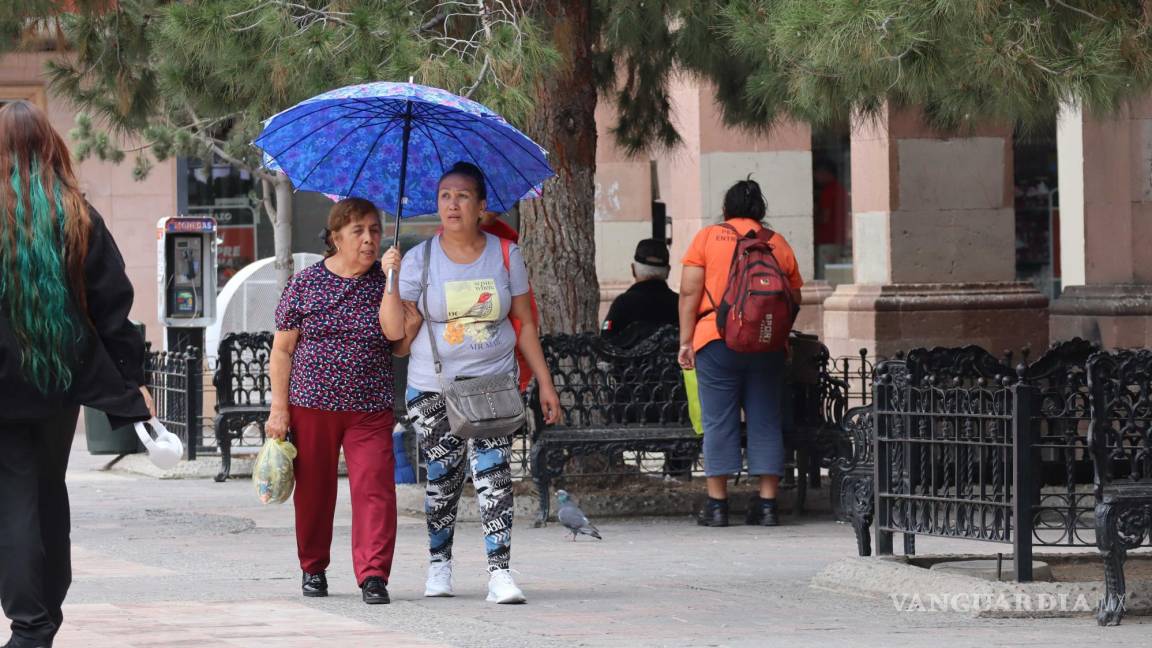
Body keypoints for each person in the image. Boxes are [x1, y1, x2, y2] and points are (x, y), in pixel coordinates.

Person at [0, 100, 154, 648]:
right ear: (49, 146)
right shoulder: (77, 215)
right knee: (47, 494)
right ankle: (43, 619)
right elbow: (115, 304)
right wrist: (132, 378)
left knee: (13, 499)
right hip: (57, 383)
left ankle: (31, 623)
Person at [399, 161, 561, 604]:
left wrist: (544, 384)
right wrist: (391, 282)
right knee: (443, 478)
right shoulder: (419, 258)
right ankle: (439, 565)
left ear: (482, 206)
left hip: (492, 387)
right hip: (433, 389)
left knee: (493, 477)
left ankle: (499, 573)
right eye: (445, 196)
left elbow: (525, 324)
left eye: (462, 196)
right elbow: (399, 334)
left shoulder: (506, 255)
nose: (452, 204)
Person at [266, 197, 405, 605]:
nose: (369, 239)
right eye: (359, 231)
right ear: (336, 236)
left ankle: (374, 574)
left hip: (369, 407)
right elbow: (281, 351)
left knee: (376, 487)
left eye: (375, 231)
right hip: (312, 404)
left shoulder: (385, 281)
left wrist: (393, 279)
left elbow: (396, 338)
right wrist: (279, 408)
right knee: (314, 491)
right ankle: (313, 567)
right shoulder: (306, 284)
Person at [677, 178, 804, 528]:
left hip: (715, 339)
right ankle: (767, 505)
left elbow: (689, 293)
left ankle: (717, 505)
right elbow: (794, 297)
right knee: (765, 419)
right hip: (767, 344)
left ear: (726, 209)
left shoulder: (707, 238)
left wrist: (686, 341)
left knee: (719, 420)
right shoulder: (776, 242)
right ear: (760, 210)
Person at [600, 238, 679, 347]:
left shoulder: (623, 303)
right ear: (668, 271)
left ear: (633, 269)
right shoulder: (680, 304)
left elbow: (605, 343)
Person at [813, 159, 848, 279]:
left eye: (817, 173)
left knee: (825, 275)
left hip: (826, 239)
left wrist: (814, 216)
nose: (815, 177)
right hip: (838, 238)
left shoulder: (828, 191)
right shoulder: (841, 189)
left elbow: (825, 217)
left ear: (825, 173)